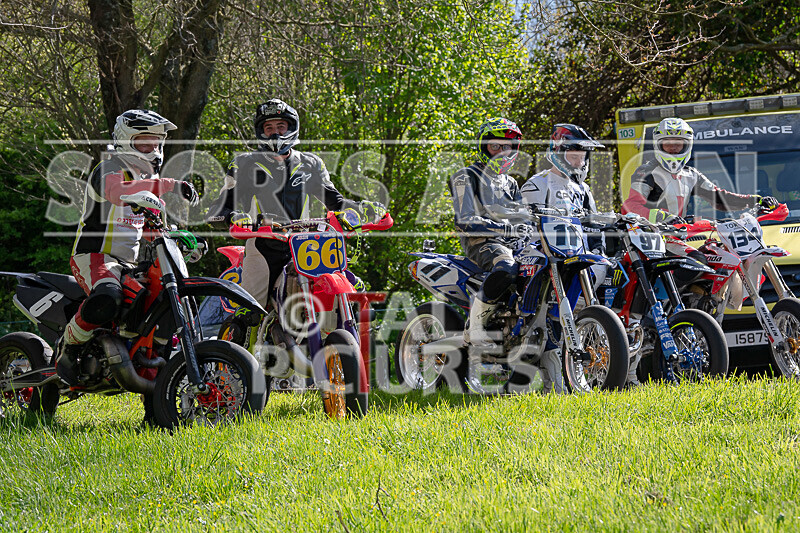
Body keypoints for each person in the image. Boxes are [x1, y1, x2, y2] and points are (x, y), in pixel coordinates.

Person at [59, 109, 200, 386]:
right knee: (107, 297)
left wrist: (179, 238)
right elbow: (116, 191)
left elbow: (152, 229)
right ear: (126, 140)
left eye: (157, 143)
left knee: (164, 306)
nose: (153, 148)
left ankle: (157, 391)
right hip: (94, 257)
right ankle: (69, 350)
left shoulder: (144, 187)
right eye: (145, 142)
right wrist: (170, 185)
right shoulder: (109, 168)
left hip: (128, 265)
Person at [206, 98, 382, 317]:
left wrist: (365, 209)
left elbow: (336, 202)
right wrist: (233, 217)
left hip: (308, 245)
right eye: (268, 128)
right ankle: (237, 343)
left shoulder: (311, 163)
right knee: (250, 311)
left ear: (292, 127)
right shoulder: (244, 164)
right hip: (264, 246)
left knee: (345, 295)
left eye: (281, 126)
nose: (275, 133)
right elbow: (217, 210)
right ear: (260, 131)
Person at [450, 117, 532, 347]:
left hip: (514, 243)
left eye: (508, 147)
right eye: (496, 146)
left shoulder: (511, 183)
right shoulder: (465, 176)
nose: (502, 152)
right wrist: (501, 227)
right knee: (506, 268)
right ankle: (474, 326)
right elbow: (464, 220)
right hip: (482, 242)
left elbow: (523, 214)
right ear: (484, 145)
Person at [622, 117, 778, 223]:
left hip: (678, 237)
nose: (674, 147)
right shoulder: (646, 172)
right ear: (658, 144)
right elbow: (630, 207)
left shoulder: (691, 175)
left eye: (679, 142)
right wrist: (662, 216)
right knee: (698, 264)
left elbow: (720, 198)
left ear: (687, 145)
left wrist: (754, 200)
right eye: (668, 142)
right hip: (649, 241)